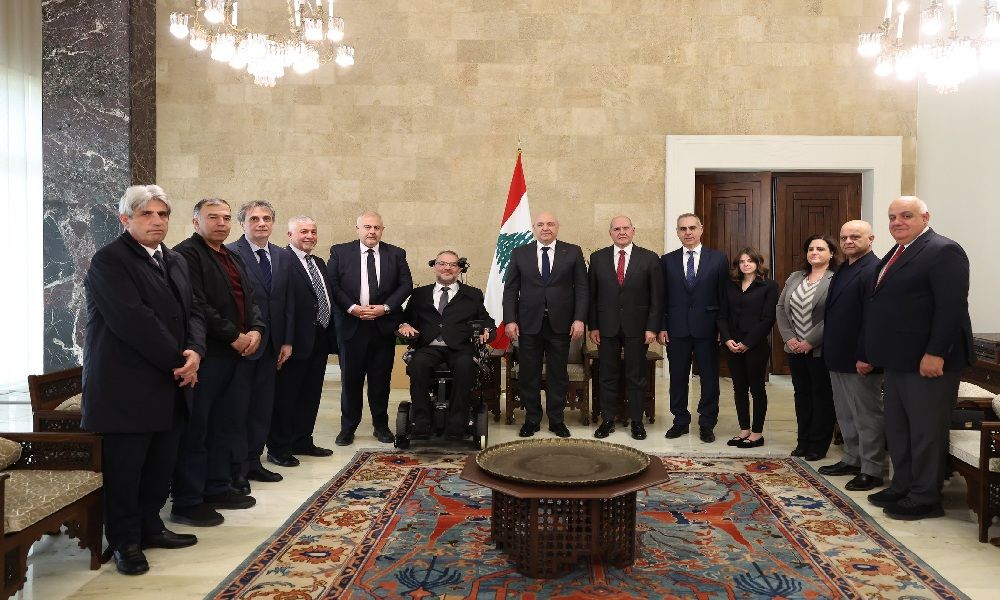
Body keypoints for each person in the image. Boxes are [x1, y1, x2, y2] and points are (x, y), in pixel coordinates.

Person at [82, 185, 205, 575]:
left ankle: (151, 527)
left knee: (159, 466)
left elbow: (194, 310)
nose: (157, 221)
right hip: (126, 387)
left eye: (163, 214)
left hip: (170, 382)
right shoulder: (109, 260)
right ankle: (125, 542)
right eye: (147, 214)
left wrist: (195, 351)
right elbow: (134, 321)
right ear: (125, 219)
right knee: (127, 470)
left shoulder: (174, 259)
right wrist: (180, 361)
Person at [864, 197, 973, 521]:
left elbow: (951, 308)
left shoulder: (943, 250)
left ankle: (926, 497)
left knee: (926, 432)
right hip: (899, 359)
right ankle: (903, 486)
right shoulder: (899, 251)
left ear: (925, 217)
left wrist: (936, 353)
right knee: (899, 429)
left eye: (906, 216)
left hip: (928, 361)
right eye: (892, 217)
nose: (897, 222)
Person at [171, 198, 266, 527]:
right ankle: (188, 500)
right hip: (208, 354)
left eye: (226, 218)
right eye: (213, 217)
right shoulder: (186, 255)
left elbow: (250, 298)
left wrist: (256, 329)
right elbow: (196, 304)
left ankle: (217, 487)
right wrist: (233, 336)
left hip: (237, 355)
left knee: (226, 425)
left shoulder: (231, 255)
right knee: (197, 428)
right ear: (196, 222)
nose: (221, 223)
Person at [327, 211, 413, 446]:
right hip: (351, 326)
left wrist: (385, 308)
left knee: (380, 380)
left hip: (382, 327)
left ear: (382, 230)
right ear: (358, 229)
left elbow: (406, 284)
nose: (372, 231)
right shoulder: (340, 252)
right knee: (351, 381)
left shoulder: (396, 253)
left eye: (376, 227)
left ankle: (381, 426)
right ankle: (348, 427)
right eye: (367, 227)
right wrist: (352, 308)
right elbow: (332, 284)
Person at [502, 211, 588, 438]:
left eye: (550, 224)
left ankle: (556, 420)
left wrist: (579, 318)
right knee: (529, 373)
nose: (545, 228)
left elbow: (582, 288)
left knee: (558, 374)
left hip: (561, 324)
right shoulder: (520, 253)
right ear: (534, 228)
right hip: (528, 324)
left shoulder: (573, 251)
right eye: (540, 224)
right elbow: (510, 289)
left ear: (557, 227)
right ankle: (532, 419)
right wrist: (510, 320)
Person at [226, 201, 294, 488]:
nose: (261, 223)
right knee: (238, 410)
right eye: (254, 219)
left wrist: (287, 340)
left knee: (262, 409)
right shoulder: (230, 253)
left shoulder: (282, 256)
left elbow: (288, 301)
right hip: (243, 346)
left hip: (272, 346)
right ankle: (236, 468)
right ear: (243, 224)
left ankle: (254, 461)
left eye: (266, 218)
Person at [397, 251, 496, 439]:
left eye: (452, 264)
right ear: (434, 267)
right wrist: (404, 325)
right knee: (418, 365)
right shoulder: (419, 294)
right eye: (442, 263)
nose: (447, 268)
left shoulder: (472, 294)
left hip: (460, 348)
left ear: (459, 269)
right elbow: (406, 319)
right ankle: (422, 423)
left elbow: (486, 321)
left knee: (465, 366)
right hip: (428, 347)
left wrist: (487, 330)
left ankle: (457, 425)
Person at [819, 220, 886, 491]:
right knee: (846, 413)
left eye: (855, 237)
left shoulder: (874, 269)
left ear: (871, 239)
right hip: (838, 354)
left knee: (866, 416)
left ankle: (872, 469)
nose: (848, 241)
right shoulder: (844, 268)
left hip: (861, 358)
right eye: (844, 237)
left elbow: (875, 318)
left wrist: (867, 355)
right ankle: (852, 458)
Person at [267, 216, 338, 466]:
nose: (309, 236)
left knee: (310, 394)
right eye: (303, 231)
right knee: (286, 396)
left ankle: (302, 440)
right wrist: (285, 340)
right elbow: (280, 302)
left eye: (313, 231)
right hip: (293, 341)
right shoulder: (281, 260)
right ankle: (279, 448)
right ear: (290, 235)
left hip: (319, 338)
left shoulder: (318, 262)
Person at [588, 216, 663, 440]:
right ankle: (607, 420)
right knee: (607, 376)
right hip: (606, 327)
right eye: (616, 229)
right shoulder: (598, 258)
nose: (621, 232)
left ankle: (637, 422)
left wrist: (652, 327)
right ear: (610, 233)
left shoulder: (649, 258)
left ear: (633, 231)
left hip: (638, 328)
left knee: (636, 376)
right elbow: (592, 296)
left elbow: (657, 297)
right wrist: (594, 326)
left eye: (625, 228)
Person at [658, 213, 728, 443]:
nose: (687, 232)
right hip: (676, 329)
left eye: (692, 228)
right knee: (678, 378)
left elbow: (723, 296)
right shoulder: (667, 260)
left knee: (709, 379)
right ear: (677, 233)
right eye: (682, 229)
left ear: (701, 229)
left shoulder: (718, 259)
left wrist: (723, 328)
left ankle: (707, 423)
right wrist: (662, 326)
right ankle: (680, 421)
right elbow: (661, 297)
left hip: (708, 329)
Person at [776, 234, 838, 461]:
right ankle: (802, 442)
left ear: (831, 253)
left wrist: (810, 341)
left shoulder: (836, 278)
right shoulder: (795, 277)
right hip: (795, 349)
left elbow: (833, 315)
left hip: (820, 349)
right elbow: (781, 308)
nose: (814, 253)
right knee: (802, 396)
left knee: (821, 397)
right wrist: (789, 338)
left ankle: (818, 445)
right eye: (811, 249)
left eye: (820, 249)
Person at [717, 248, 778, 449]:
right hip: (732, 345)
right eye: (742, 261)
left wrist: (748, 343)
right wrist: (727, 339)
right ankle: (744, 430)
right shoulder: (730, 285)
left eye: (750, 260)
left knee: (757, 388)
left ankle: (757, 433)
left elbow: (768, 319)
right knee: (739, 388)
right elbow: (722, 315)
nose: (746, 264)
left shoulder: (769, 286)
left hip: (755, 346)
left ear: (757, 263)